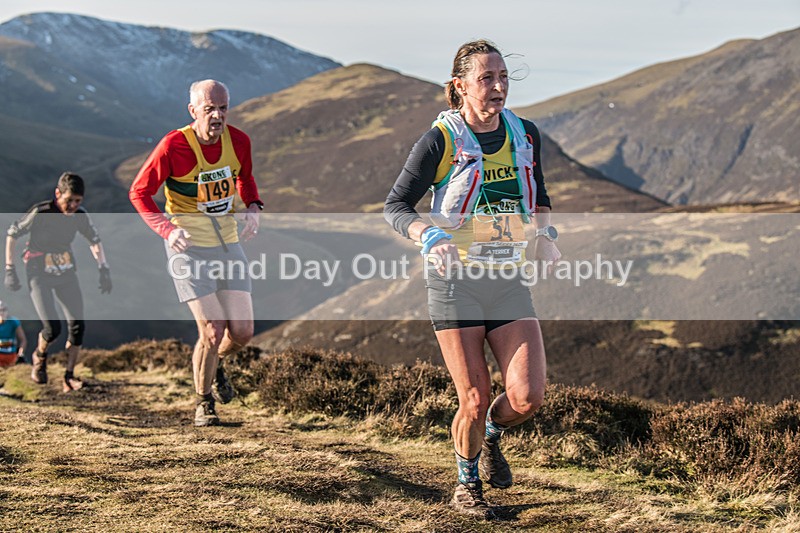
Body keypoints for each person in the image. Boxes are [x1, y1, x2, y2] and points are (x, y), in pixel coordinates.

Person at [384, 40, 562, 519]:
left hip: (507, 279)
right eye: (487, 78)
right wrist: (430, 236)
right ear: (460, 85)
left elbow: (538, 194)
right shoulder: (440, 140)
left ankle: (493, 436)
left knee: (527, 398)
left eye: (504, 77)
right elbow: (396, 206)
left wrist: (544, 238)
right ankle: (467, 485)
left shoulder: (525, 134)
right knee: (476, 396)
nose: (499, 87)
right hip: (455, 283)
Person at [129, 79, 262, 427]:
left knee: (243, 332)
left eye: (223, 108)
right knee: (213, 329)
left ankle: (213, 364)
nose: (217, 116)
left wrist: (253, 205)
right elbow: (139, 193)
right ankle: (204, 403)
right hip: (187, 248)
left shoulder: (240, 141)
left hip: (228, 243)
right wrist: (167, 229)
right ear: (193, 111)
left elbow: (244, 178)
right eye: (209, 109)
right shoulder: (174, 145)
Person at [5, 172, 112, 391]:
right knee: (52, 328)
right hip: (38, 272)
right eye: (68, 200)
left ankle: (69, 376)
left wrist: (103, 268)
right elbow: (12, 234)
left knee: (77, 327)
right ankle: (40, 356)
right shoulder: (41, 212)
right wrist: (10, 268)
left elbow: (95, 240)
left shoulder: (80, 216)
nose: (72, 205)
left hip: (65, 271)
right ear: (57, 194)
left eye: (77, 201)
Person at [0, 300, 26, 367]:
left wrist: (21, 353)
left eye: (4, 310)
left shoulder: (14, 322)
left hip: (11, 356)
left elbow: (23, 340)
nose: (2, 313)